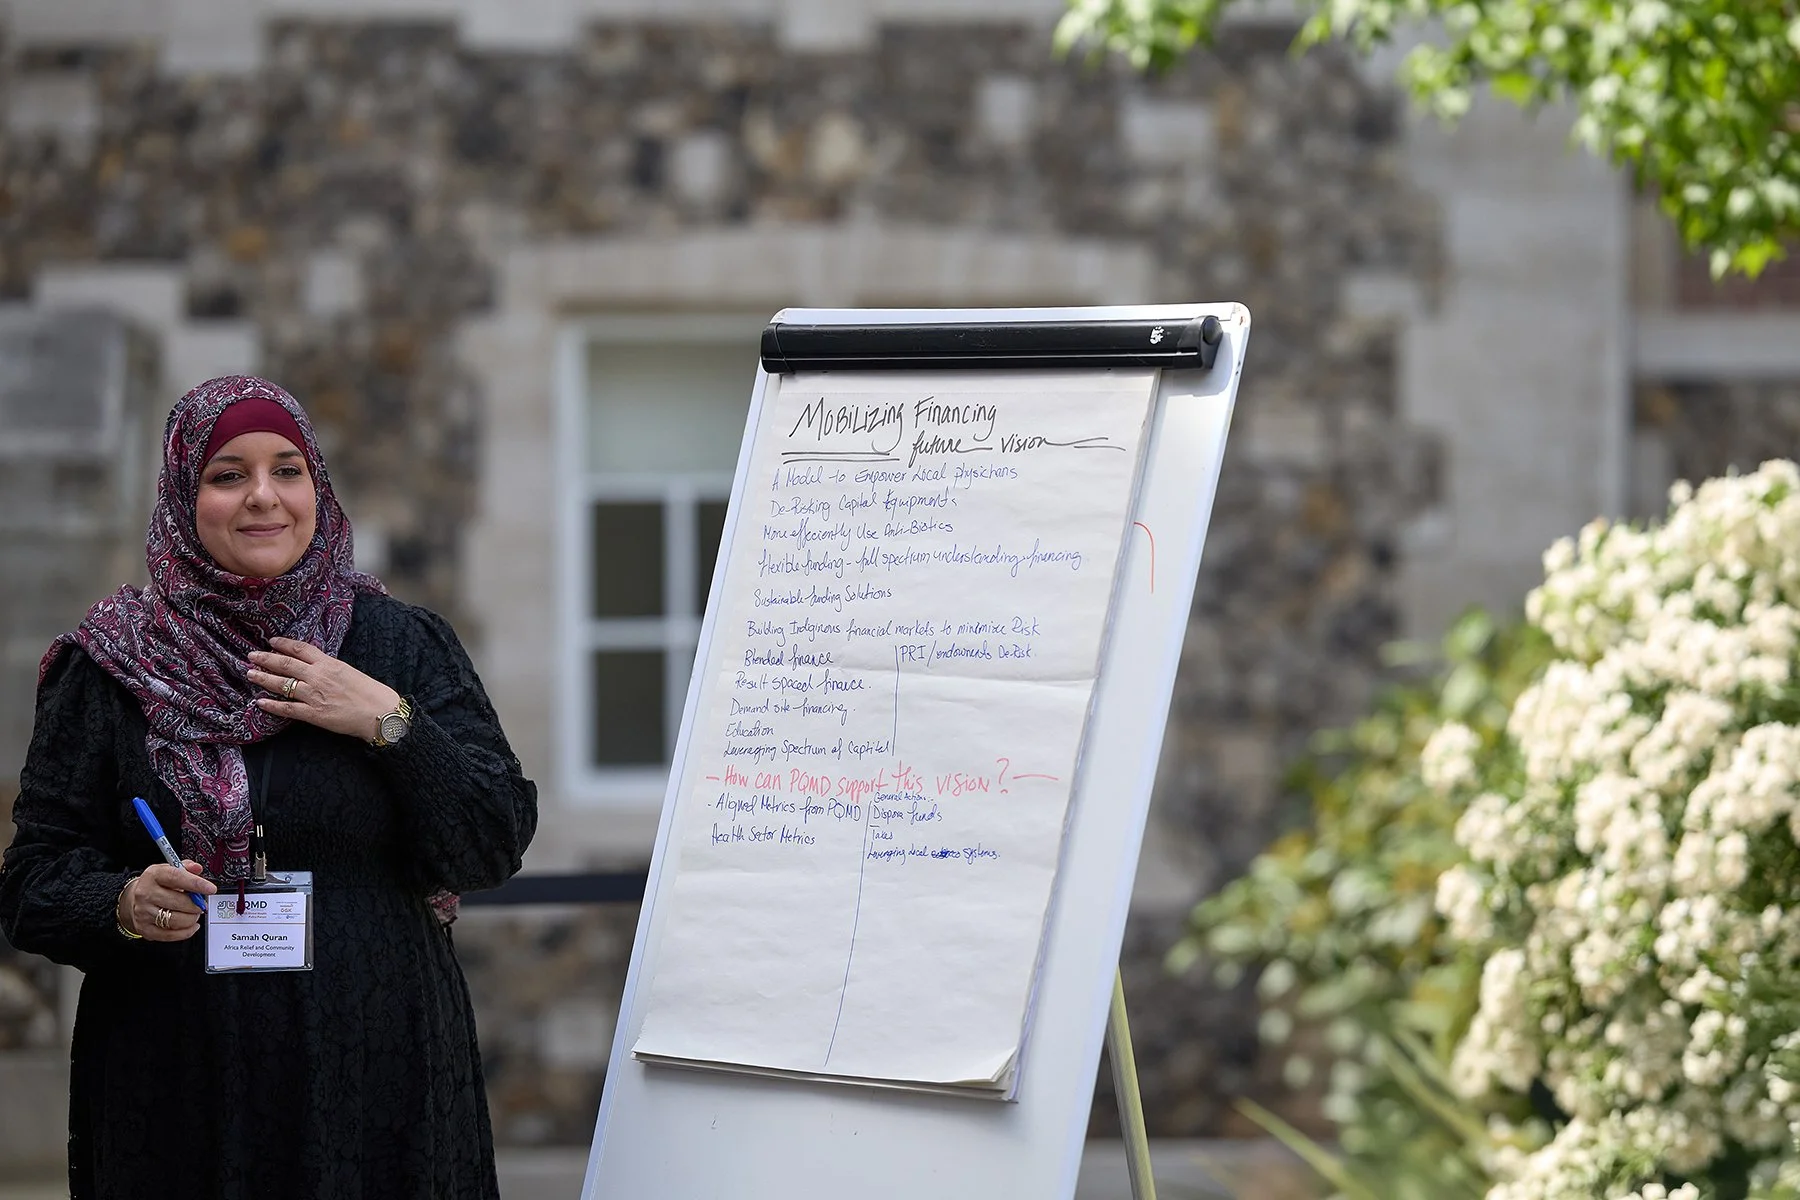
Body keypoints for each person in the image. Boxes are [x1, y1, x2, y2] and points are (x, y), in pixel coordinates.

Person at [0, 375, 537, 1200]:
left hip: (380, 1080)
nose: (264, 498)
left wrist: (389, 722)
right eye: (228, 475)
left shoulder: (399, 647)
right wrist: (120, 903)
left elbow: (490, 841)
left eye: (288, 470)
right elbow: (34, 879)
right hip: (178, 1087)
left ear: (316, 485)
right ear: (185, 495)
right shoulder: (108, 666)